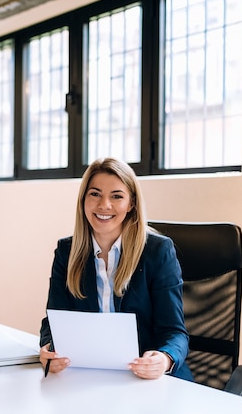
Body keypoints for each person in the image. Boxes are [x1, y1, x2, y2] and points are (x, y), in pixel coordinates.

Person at [39, 157, 193, 381]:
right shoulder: (67, 252)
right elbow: (53, 321)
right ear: (83, 200)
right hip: (87, 375)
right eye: (95, 194)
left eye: (116, 196)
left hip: (146, 379)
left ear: (131, 204)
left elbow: (175, 332)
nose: (104, 205)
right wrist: (48, 349)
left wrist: (164, 358)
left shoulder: (157, 251)